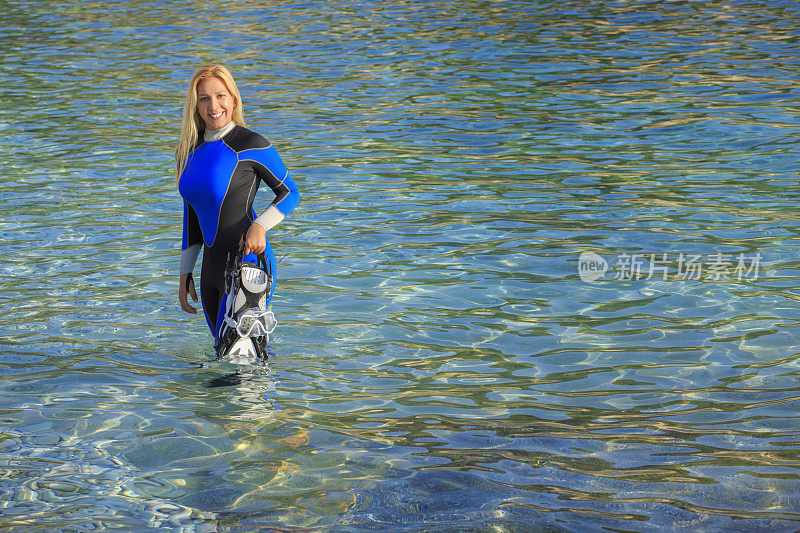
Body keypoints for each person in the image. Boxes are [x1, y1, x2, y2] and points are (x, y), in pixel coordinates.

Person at [176, 64, 299, 350]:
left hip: (247, 264)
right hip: (210, 268)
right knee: (224, 358)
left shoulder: (251, 144)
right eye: (204, 98)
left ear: (233, 99)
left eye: (220, 95)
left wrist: (260, 225)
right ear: (195, 106)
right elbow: (191, 215)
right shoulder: (187, 151)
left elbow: (290, 192)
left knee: (242, 361)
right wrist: (185, 273)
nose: (213, 105)